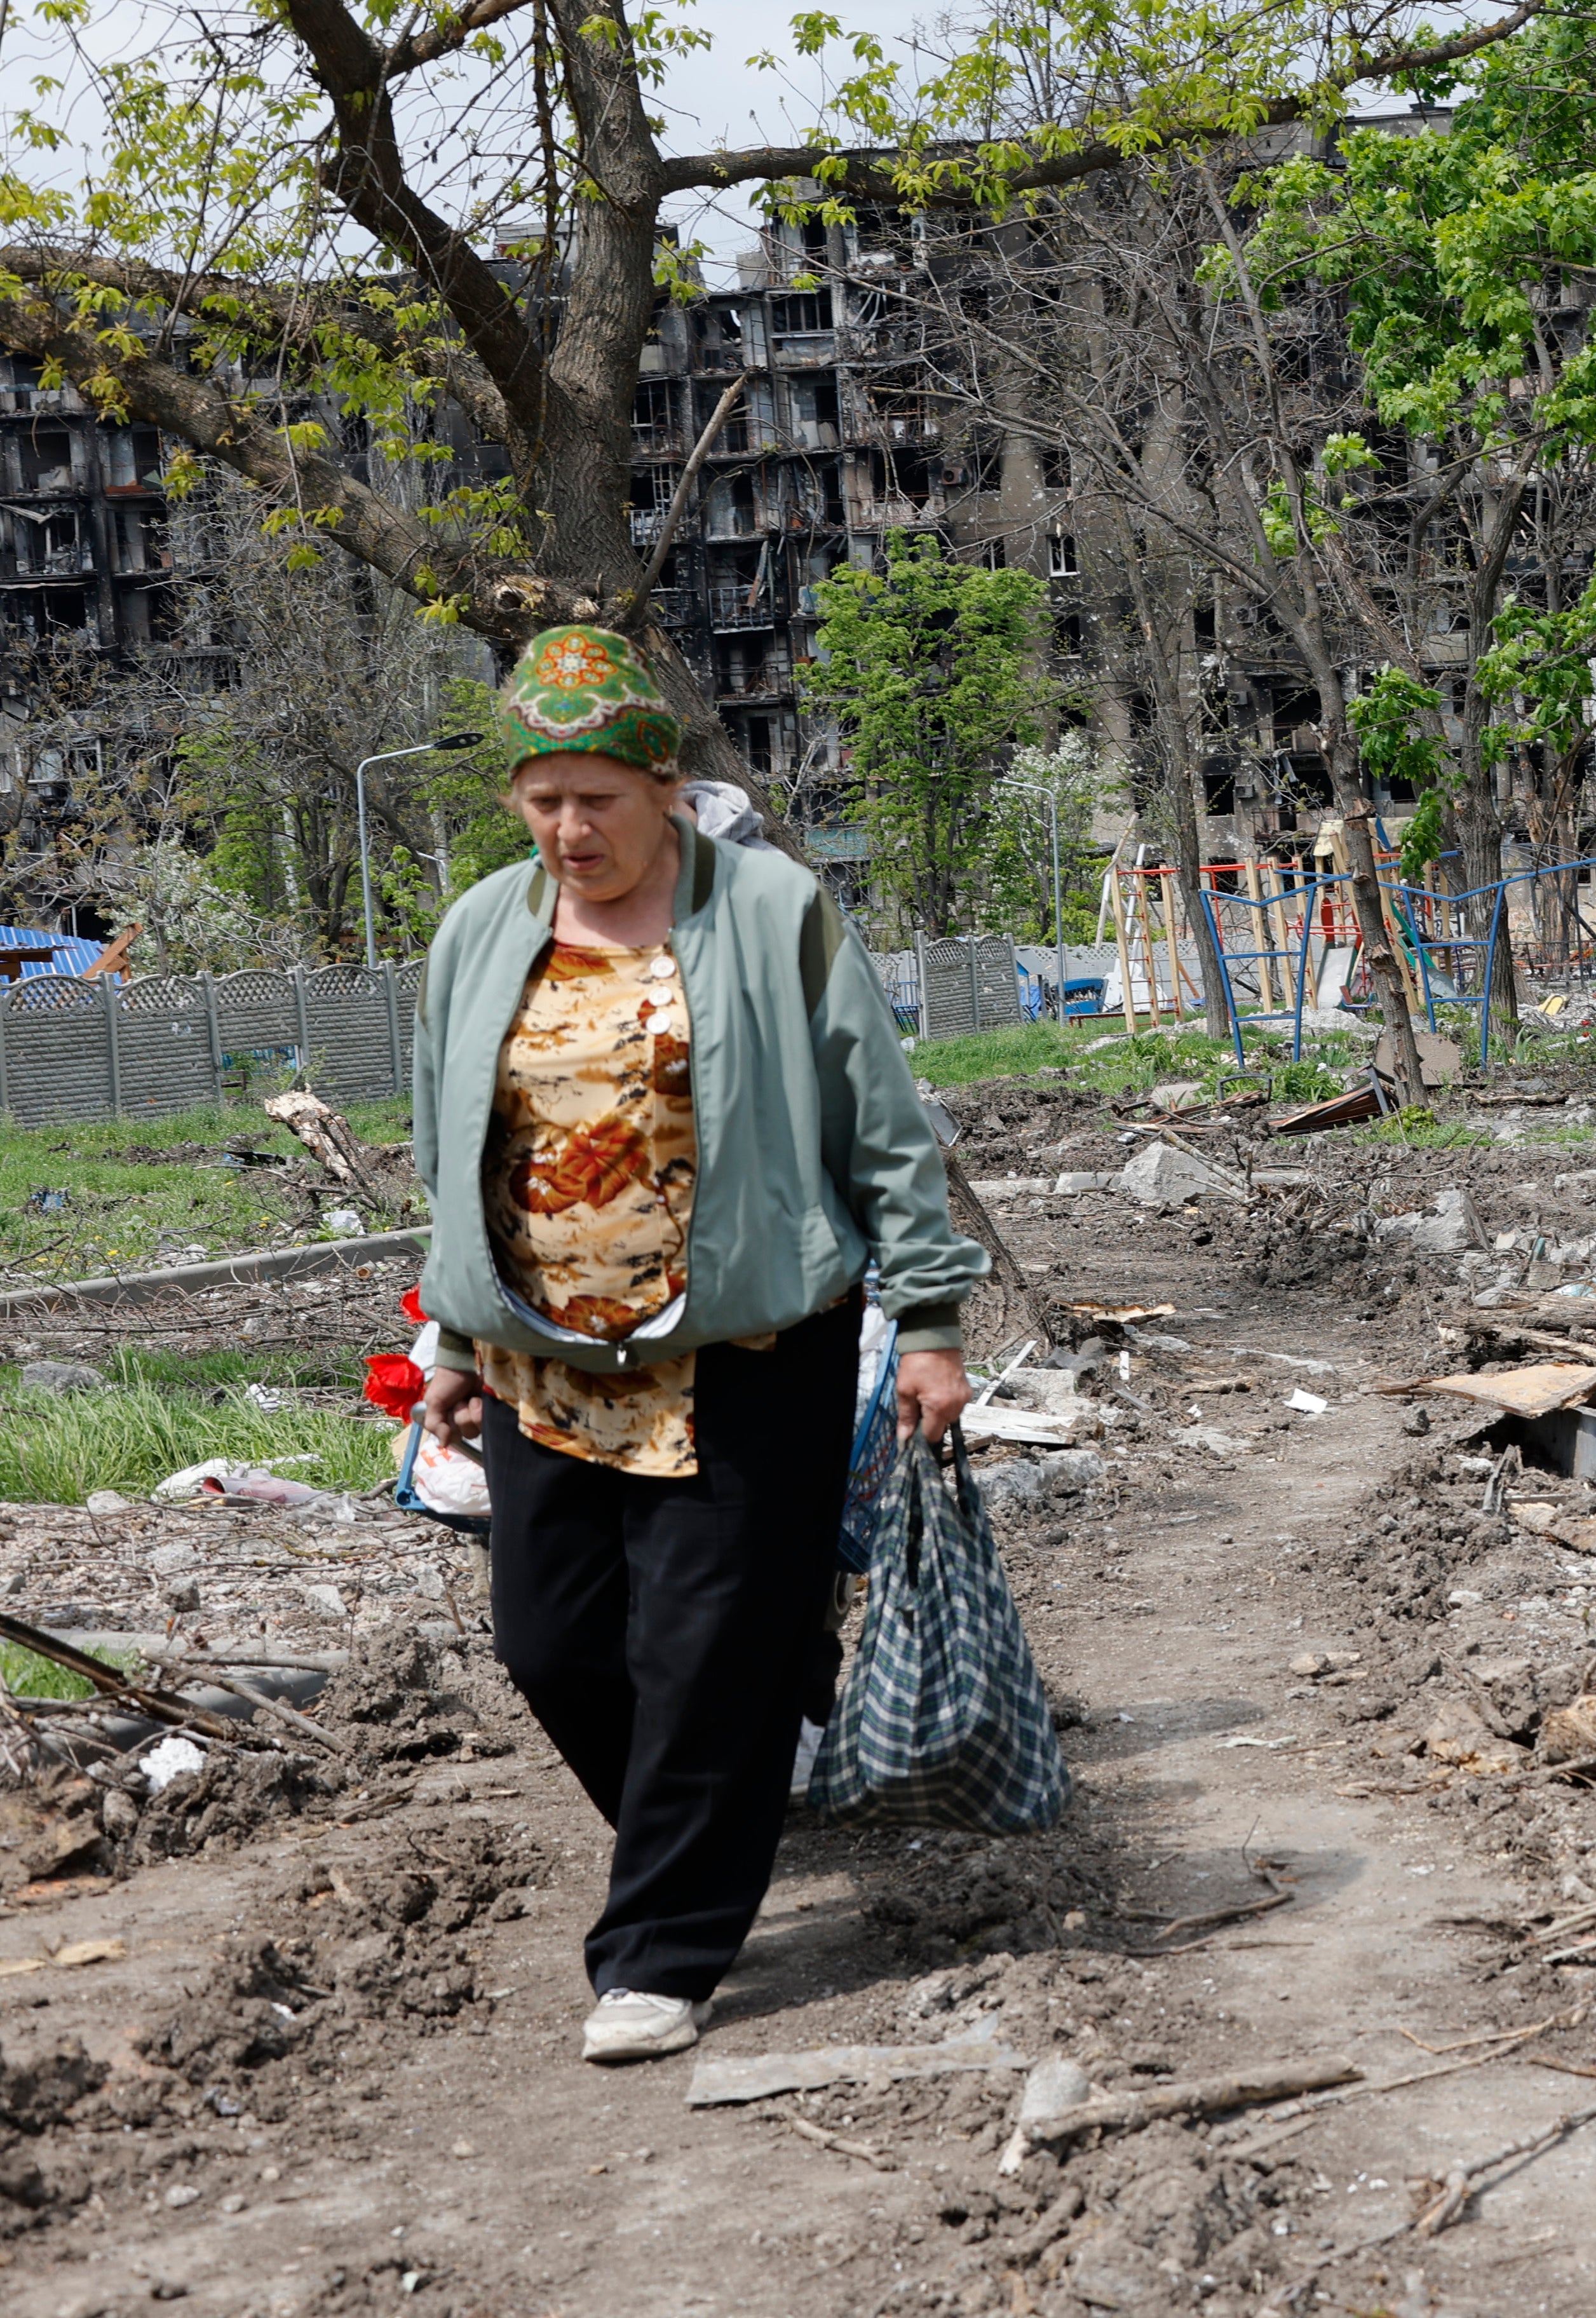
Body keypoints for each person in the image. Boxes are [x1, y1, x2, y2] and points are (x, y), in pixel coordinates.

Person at [411, 625, 989, 2064]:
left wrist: (927, 1322)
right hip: (545, 1360)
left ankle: (661, 1949)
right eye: (543, 798)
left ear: (663, 787)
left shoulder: (770, 913)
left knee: (698, 1652)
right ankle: (737, 1759)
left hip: (746, 1351)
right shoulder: (483, 930)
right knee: (548, 1644)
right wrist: (448, 1342)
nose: (569, 828)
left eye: (597, 797)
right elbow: (449, 1152)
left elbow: (881, 1126)